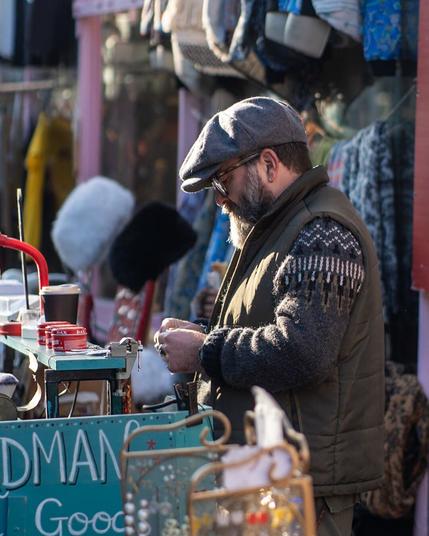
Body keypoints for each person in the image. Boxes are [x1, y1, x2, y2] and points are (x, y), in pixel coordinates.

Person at [154, 97, 385, 535]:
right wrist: (205, 336)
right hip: (273, 477)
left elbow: (302, 350)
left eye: (223, 179)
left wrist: (205, 350)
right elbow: (269, 331)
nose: (219, 198)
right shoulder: (279, 228)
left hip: (300, 488)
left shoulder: (322, 231)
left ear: (269, 163)